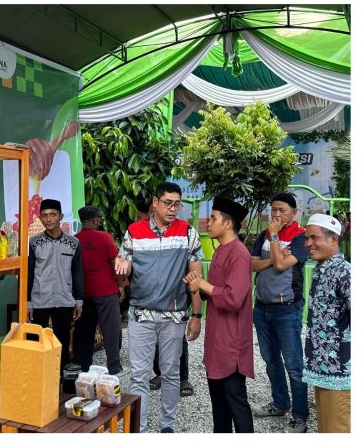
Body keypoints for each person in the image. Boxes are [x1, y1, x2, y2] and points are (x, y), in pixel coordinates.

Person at [114, 182, 203, 433]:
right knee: (139, 375)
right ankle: (139, 430)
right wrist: (123, 268)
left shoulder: (187, 232)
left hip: (174, 316)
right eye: (168, 203)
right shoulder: (134, 231)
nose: (173, 209)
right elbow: (125, 263)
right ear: (155, 203)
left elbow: (196, 277)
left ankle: (167, 427)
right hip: (140, 314)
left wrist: (196, 315)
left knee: (171, 373)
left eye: (177, 204)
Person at [184, 198, 254, 433]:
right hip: (217, 341)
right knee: (219, 407)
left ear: (227, 224)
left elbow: (233, 298)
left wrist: (203, 284)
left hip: (231, 343)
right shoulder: (220, 250)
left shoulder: (239, 253)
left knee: (236, 404)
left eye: (213, 218)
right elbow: (214, 291)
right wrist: (197, 284)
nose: (208, 222)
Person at [250, 192, 309, 433]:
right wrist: (274, 257)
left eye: (282, 210)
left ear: (294, 212)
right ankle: (280, 403)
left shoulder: (301, 237)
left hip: (287, 309)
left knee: (293, 364)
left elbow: (283, 265)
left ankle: (300, 415)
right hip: (262, 307)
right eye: (273, 209)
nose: (276, 214)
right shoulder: (263, 235)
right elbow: (252, 264)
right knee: (270, 359)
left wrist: (275, 238)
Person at [302, 214, 350, 433]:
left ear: (333, 239)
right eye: (306, 238)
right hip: (322, 370)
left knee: (338, 429)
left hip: (340, 374)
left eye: (314, 238)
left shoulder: (344, 272)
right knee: (326, 428)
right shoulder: (322, 270)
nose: (308, 243)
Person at [28, 198, 83, 372]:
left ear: (60, 216)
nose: (49, 219)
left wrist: (79, 300)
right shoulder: (33, 243)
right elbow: (29, 274)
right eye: (44, 215)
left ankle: (60, 378)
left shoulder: (73, 243)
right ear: (40, 218)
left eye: (53, 214)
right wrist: (28, 302)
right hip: (39, 300)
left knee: (62, 342)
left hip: (64, 300)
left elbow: (77, 273)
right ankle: (40, 376)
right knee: (39, 343)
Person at [73, 206, 122, 374]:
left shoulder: (75, 240)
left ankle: (83, 366)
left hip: (84, 292)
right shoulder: (105, 237)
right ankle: (114, 366)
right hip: (106, 290)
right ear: (95, 220)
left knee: (85, 331)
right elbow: (115, 263)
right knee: (111, 330)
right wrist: (120, 284)